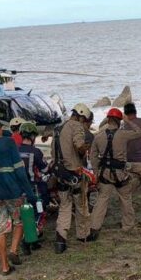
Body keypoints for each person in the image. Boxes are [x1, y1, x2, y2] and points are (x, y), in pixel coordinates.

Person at [0, 118, 37, 275]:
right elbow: (19, 171)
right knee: (19, 221)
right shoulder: (9, 143)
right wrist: (30, 193)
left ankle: (4, 266)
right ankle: (14, 249)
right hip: (12, 192)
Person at [89, 108, 141, 237]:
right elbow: (139, 132)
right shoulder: (123, 134)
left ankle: (94, 227)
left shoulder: (98, 136)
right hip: (120, 173)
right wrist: (128, 120)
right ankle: (128, 225)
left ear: (108, 119)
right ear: (119, 121)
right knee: (125, 198)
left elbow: (92, 156)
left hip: (104, 173)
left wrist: (96, 172)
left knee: (102, 200)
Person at [51, 103, 93, 254]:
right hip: (75, 172)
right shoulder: (76, 126)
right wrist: (86, 147)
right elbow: (79, 145)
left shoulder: (58, 128)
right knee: (82, 206)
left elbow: (53, 153)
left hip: (61, 174)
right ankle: (83, 235)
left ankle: (60, 240)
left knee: (64, 206)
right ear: (81, 116)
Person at [18, 122, 49, 252]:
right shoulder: (35, 152)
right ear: (32, 136)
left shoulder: (15, 150)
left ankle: (33, 240)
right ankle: (27, 240)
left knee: (23, 215)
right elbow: (45, 169)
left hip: (18, 189)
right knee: (39, 213)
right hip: (33, 187)